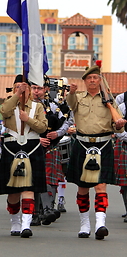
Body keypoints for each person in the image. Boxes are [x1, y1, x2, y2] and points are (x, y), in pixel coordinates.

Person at [66, 65, 126, 240]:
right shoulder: (77, 97)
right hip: (83, 144)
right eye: (89, 78)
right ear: (85, 81)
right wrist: (71, 92)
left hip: (103, 144)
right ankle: (85, 224)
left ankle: (101, 223)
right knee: (83, 187)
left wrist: (119, 126)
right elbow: (70, 104)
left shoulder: (109, 100)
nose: (92, 81)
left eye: (95, 78)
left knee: (101, 186)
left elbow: (117, 123)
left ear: (100, 80)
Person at [0, 75, 47, 238]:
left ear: (30, 89)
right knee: (13, 191)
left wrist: (28, 119)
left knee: (29, 188)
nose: (21, 90)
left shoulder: (37, 107)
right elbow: (3, 112)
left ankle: (26, 224)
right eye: (17, 87)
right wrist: (17, 95)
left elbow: (43, 127)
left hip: (31, 147)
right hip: (12, 147)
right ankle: (15, 221)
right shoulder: (9, 103)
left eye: (24, 87)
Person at [31, 78, 73, 225]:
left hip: (50, 145)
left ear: (46, 89)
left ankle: (48, 209)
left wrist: (58, 133)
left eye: (39, 88)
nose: (36, 91)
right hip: (31, 146)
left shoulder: (55, 106)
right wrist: (36, 140)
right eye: (34, 88)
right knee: (34, 179)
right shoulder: (25, 106)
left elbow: (68, 120)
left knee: (50, 179)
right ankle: (35, 213)